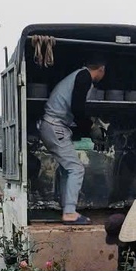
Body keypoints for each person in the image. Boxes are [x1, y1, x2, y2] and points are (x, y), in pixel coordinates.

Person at [39, 56, 107, 225]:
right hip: (55, 126)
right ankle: (69, 213)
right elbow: (77, 108)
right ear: (101, 69)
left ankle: (66, 209)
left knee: (67, 169)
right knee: (76, 168)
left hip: (52, 126)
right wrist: (91, 127)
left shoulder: (78, 76)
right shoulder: (84, 76)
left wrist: (88, 128)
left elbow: (74, 110)